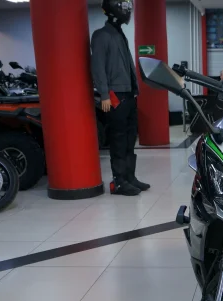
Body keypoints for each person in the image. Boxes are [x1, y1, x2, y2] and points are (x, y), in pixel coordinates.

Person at [91, 0, 149, 196]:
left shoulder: (119, 34)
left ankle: (130, 177)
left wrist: (135, 89)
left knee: (130, 138)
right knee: (118, 139)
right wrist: (104, 94)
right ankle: (119, 182)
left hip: (129, 94)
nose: (126, 10)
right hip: (114, 95)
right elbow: (98, 67)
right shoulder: (101, 35)